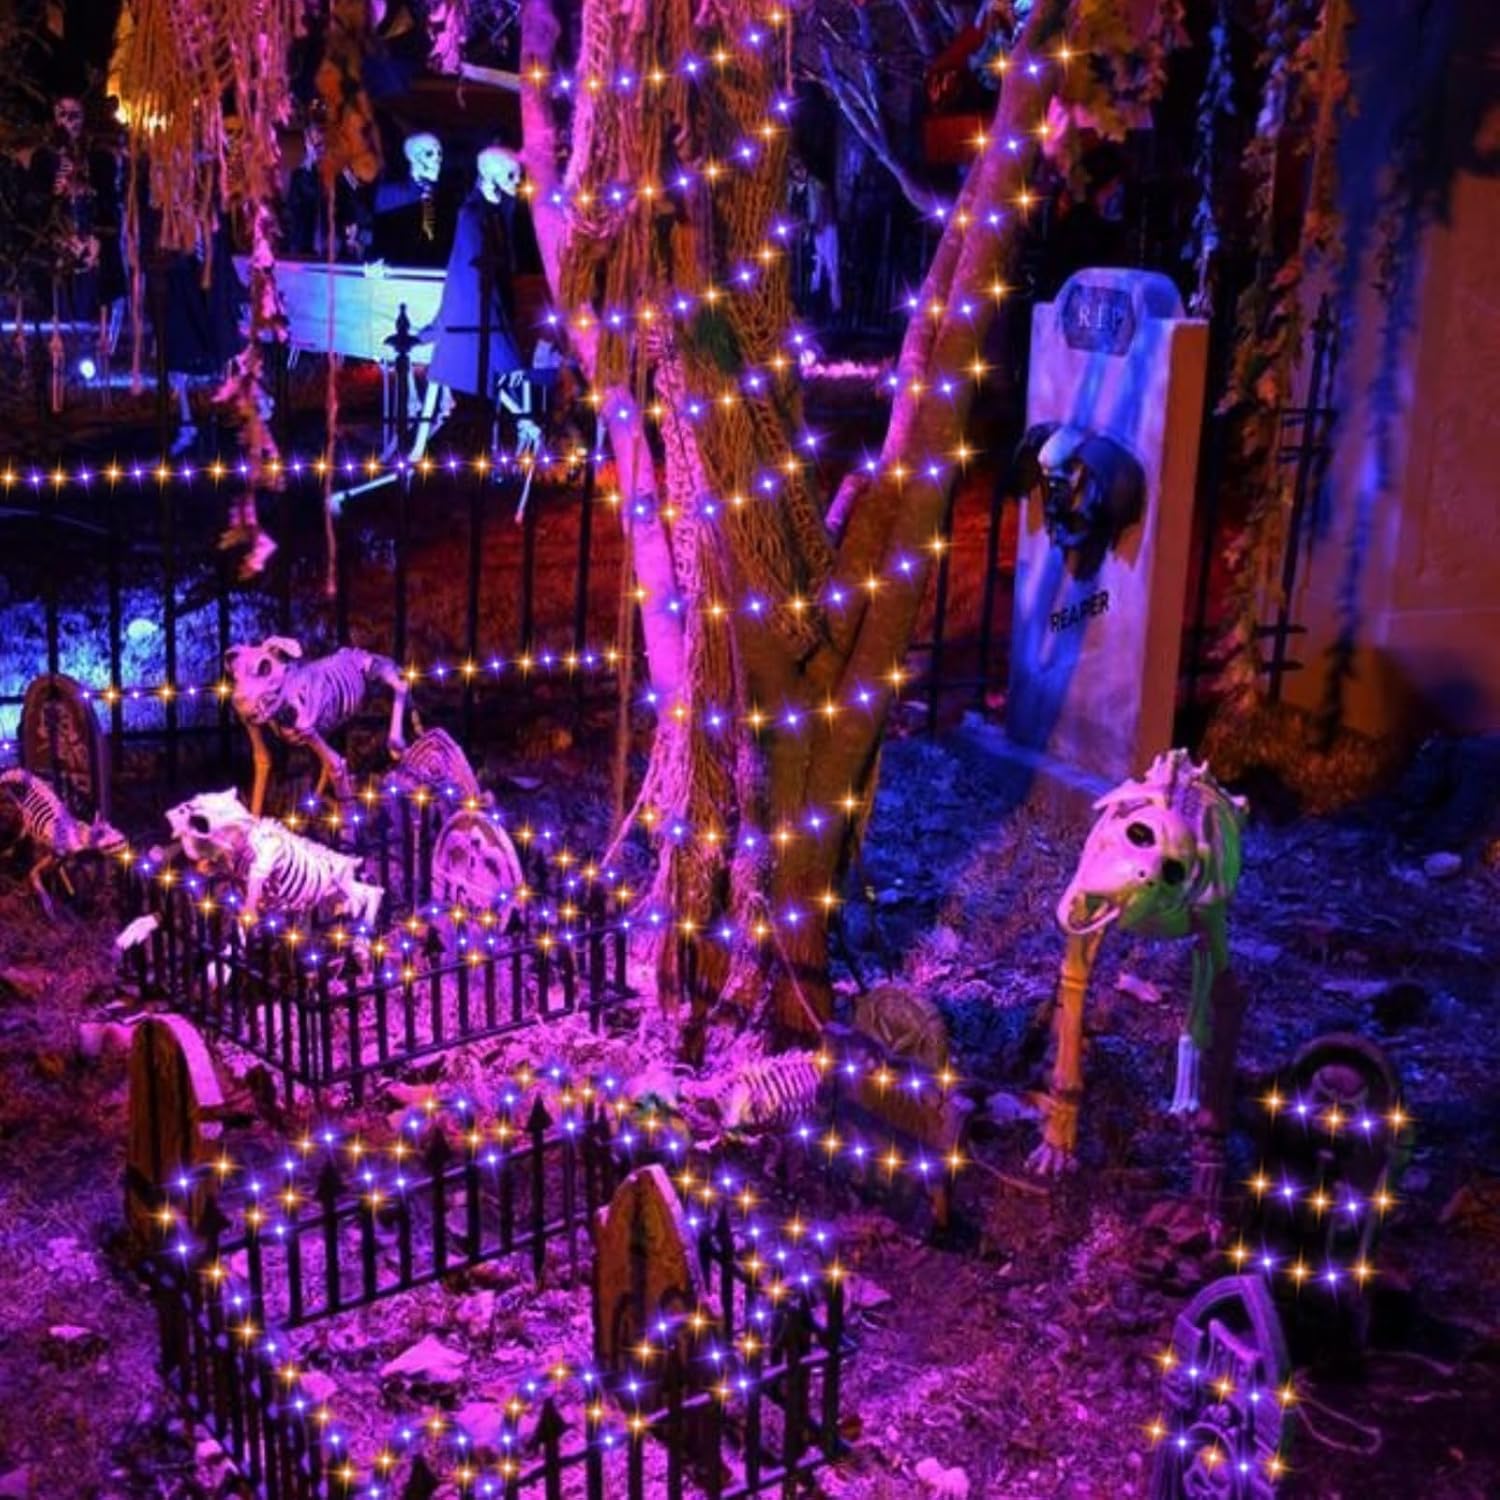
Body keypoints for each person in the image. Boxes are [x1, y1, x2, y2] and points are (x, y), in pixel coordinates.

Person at [370, 131, 450, 266]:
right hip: (402, 268)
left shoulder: (446, 196)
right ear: (412, 157)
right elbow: (382, 235)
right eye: (429, 154)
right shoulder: (391, 195)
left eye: (439, 153)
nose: (437, 159)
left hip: (435, 267)